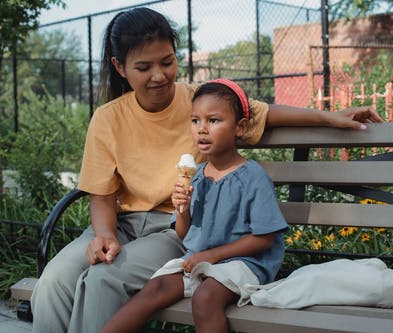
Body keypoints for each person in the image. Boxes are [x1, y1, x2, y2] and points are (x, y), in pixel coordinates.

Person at [30, 7, 382, 333]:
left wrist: (330, 116)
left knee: (103, 279)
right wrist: (103, 235)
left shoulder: (202, 101)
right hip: (120, 225)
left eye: (167, 62)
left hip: (174, 228)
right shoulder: (108, 118)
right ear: (120, 67)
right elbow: (101, 195)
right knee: (52, 282)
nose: (159, 76)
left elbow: (263, 113)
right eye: (144, 67)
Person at [100, 79, 289, 333]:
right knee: (154, 289)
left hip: (245, 263)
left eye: (213, 121)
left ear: (240, 127)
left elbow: (265, 238)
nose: (202, 129)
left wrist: (211, 256)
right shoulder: (197, 175)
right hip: (201, 260)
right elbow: (184, 234)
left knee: (206, 298)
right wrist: (183, 208)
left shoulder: (252, 176)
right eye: (195, 120)